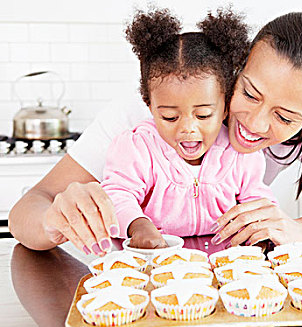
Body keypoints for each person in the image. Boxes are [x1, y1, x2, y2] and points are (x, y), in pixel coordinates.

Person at [9, 10, 302, 255]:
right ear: (235, 69)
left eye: (285, 117)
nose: (257, 125)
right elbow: (24, 213)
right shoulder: (154, 112)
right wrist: (55, 221)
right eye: (250, 93)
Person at [101, 8, 275, 252]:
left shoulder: (239, 153)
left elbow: (256, 197)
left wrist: (261, 226)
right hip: (157, 260)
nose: (187, 128)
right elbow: (117, 194)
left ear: (226, 107)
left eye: (203, 115)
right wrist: (137, 224)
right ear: (150, 106)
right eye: (170, 117)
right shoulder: (138, 148)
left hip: (224, 266)